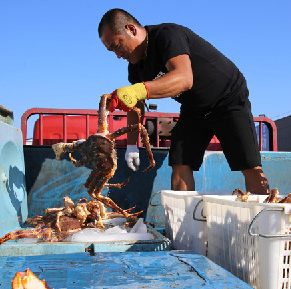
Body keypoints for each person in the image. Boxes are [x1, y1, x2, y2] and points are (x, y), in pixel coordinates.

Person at [98, 9, 269, 194]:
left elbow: (184, 79)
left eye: (116, 45)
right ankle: (183, 220)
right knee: (180, 163)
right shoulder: (135, 68)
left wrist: (138, 90)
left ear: (131, 29)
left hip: (228, 100)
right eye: (111, 50)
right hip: (193, 109)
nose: (117, 55)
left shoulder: (166, 35)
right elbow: (136, 106)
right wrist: (132, 145)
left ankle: (265, 220)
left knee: (249, 166)